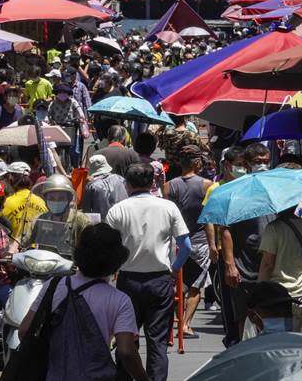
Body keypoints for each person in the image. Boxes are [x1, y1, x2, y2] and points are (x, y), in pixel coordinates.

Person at [19, 223, 149, 381]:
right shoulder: (120, 300)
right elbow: (126, 351)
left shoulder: (53, 286)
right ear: (116, 261)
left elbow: (25, 330)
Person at [106, 162, 191, 381]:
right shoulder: (168, 207)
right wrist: (174, 269)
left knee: (126, 340)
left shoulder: (118, 210)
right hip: (160, 281)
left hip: (127, 282)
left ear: (127, 184)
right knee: (158, 343)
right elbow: (187, 246)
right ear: (153, 182)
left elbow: (106, 246)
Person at [221, 143, 276, 340]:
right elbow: (226, 230)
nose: (262, 165)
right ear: (246, 164)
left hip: (270, 263)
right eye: (257, 162)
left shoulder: (274, 187)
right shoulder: (238, 190)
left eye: (265, 162)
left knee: (269, 316)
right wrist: (230, 265)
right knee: (243, 316)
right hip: (244, 265)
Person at [163, 145, 213, 339]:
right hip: (199, 241)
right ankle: (186, 324)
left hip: (177, 241)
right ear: (197, 163)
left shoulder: (169, 186)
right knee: (196, 285)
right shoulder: (206, 185)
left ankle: (180, 322)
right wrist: (212, 244)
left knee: (178, 285)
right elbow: (208, 217)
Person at [202, 146, 245, 345]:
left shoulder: (247, 186)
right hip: (222, 250)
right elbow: (209, 219)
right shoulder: (215, 188)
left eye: (245, 165)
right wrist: (212, 245)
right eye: (239, 165)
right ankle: (232, 336)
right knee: (227, 296)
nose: (242, 169)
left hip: (245, 250)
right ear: (227, 166)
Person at [258, 205, 302, 332]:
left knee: (276, 343)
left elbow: (267, 265)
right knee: (295, 341)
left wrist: (259, 291)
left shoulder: (273, 228)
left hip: (277, 297)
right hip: (300, 294)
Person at [24, 174, 92, 255]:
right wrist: (15, 247)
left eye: (61, 198)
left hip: (70, 265)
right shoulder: (39, 219)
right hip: (43, 264)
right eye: (51, 198)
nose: (56, 202)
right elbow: (25, 238)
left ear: (69, 199)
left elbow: (91, 245)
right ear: (45, 200)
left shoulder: (80, 220)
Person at [0, 162, 48, 249]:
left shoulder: (6, 203)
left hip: (14, 251)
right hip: (37, 251)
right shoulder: (41, 202)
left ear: (11, 178)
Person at [48, 83, 89, 168]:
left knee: (74, 150)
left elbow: (79, 111)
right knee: (56, 149)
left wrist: (81, 118)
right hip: (57, 127)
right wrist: (49, 121)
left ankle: (75, 166)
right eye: (60, 92)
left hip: (70, 126)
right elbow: (48, 114)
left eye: (64, 92)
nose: (62, 94)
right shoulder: (53, 103)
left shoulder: (72, 101)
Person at [81, 155, 128, 220]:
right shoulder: (120, 179)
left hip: (103, 225)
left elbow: (86, 211)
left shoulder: (92, 186)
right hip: (123, 218)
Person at [158, 115, 202, 180]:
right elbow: (199, 150)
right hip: (187, 170)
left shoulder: (166, 134)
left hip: (171, 169)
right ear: (184, 119)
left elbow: (161, 145)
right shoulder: (192, 135)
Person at [134, 132, 165, 197]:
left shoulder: (132, 162)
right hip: (154, 196)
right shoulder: (158, 165)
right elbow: (162, 185)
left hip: (135, 195)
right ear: (153, 147)